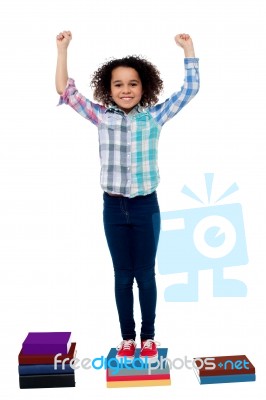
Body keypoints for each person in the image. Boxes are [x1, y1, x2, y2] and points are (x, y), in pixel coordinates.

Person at [55, 31, 199, 363]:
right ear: (109, 89)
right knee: (122, 275)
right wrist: (63, 50)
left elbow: (189, 89)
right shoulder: (100, 116)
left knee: (145, 274)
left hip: (146, 206)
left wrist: (188, 49)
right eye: (118, 84)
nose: (126, 90)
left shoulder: (155, 116)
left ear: (144, 87)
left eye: (132, 84)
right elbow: (66, 90)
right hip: (113, 208)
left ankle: (148, 337)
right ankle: (127, 338)